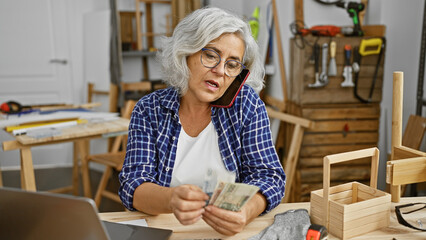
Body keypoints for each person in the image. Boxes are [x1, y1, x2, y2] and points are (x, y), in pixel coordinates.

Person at [118, 7, 286, 236]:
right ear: (185, 53)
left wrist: (246, 212)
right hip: (167, 231)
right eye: (210, 55)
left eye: (232, 64)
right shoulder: (149, 109)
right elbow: (133, 186)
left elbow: (270, 178)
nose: (220, 71)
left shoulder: (246, 105)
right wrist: (171, 199)